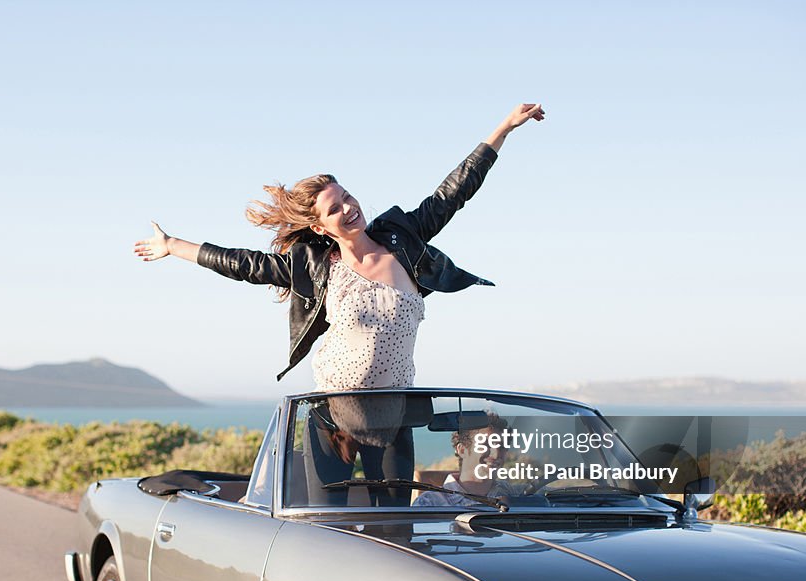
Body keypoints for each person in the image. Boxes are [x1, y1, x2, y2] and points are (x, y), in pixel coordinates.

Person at [132, 103, 545, 388]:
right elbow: (245, 265)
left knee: (394, 518)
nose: (349, 208)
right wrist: (172, 245)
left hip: (394, 406)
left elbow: (453, 192)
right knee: (322, 518)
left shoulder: (402, 238)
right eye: (335, 208)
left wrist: (503, 128)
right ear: (321, 226)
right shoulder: (315, 266)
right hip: (332, 409)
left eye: (348, 196)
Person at [413, 412, 514, 507]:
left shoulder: (515, 498)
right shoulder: (430, 503)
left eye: (502, 447)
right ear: (462, 450)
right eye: (485, 445)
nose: (496, 454)